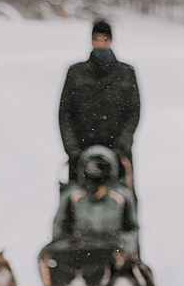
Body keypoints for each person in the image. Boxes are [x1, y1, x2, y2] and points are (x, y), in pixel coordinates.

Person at [58, 19, 140, 186]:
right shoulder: (76, 73)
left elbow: (133, 112)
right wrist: (73, 150)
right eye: (97, 39)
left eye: (105, 39)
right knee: (75, 204)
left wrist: (121, 148)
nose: (100, 43)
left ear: (111, 40)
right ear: (91, 41)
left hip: (118, 154)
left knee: (123, 202)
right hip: (82, 154)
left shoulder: (126, 73)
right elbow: (65, 113)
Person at [51, 145, 138, 252]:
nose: (97, 171)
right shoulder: (73, 195)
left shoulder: (121, 196)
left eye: (102, 167)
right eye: (92, 167)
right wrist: (67, 245)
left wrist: (122, 243)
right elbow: (59, 227)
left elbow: (132, 229)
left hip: (113, 252)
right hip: (79, 252)